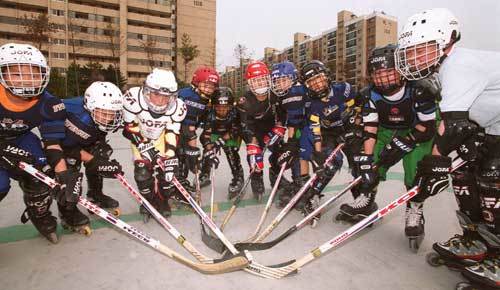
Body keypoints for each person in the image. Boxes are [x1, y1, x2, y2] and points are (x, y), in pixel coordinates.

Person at [396, 8, 500, 288]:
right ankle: (476, 239)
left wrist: (431, 165)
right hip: (491, 127)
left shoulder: (459, 65)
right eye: (410, 51)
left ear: (446, 42)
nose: (414, 57)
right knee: (463, 175)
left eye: (422, 49)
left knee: (493, 181)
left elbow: (452, 127)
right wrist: (438, 165)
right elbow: (460, 123)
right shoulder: (440, 69)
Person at [337, 45, 438, 251]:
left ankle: (415, 209)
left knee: (416, 170)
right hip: (386, 128)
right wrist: (367, 159)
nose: (383, 79)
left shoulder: (420, 89)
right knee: (369, 163)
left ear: (401, 69)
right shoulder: (370, 94)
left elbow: (428, 127)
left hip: (417, 130)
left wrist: (406, 141)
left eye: (388, 72)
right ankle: (366, 199)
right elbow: (371, 128)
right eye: (378, 74)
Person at [0, 43, 81, 242]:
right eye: (18, 74)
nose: (27, 81)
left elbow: (52, 143)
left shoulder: (49, 103)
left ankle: (39, 213)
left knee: (43, 173)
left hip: (21, 139)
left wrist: (63, 176)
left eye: (34, 74)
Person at [122, 68, 186, 220]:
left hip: (161, 140)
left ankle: (163, 200)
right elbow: (128, 127)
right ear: (147, 90)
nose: (160, 101)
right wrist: (143, 144)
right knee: (142, 174)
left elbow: (172, 132)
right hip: (140, 137)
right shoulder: (133, 98)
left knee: (168, 175)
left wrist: (169, 155)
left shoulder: (178, 107)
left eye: (166, 97)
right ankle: (148, 201)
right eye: (156, 94)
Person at [62, 81, 124, 216]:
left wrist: (101, 162)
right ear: (89, 107)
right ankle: (67, 210)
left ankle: (95, 194)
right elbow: (64, 147)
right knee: (71, 169)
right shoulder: (72, 112)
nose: (109, 118)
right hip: (65, 143)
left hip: (85, 139)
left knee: (102, 154)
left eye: (112, 113)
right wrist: (92, 160)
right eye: (104, 113)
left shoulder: (98, 114)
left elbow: (100, 134)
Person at [237, 61, 287, 201]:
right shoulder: (244, 101)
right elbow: (245, 124)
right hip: (254, 130)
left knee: (280, 151)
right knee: (254, 155)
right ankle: (256, 178)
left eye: (262, 80)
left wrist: (279, 127)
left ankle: (276, 174)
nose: (260, 84)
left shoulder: (276, 95)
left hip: (272, 128)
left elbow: (283, 114)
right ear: (250, 83)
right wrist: (253, 145)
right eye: (255, 81)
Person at [199, 87, 243, 199]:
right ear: (213, 106)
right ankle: (204, 174)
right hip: (214, 133)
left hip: (230, 134)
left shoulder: (235, 112)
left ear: (231, 106)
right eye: (218, 107)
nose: (222, 110)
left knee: (231, 151)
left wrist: (222, 140)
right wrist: (209, 149)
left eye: (226, 107)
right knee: (208, 152)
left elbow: (237, 130)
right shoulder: (208, 113)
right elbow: (205, 135)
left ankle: (238, 177)